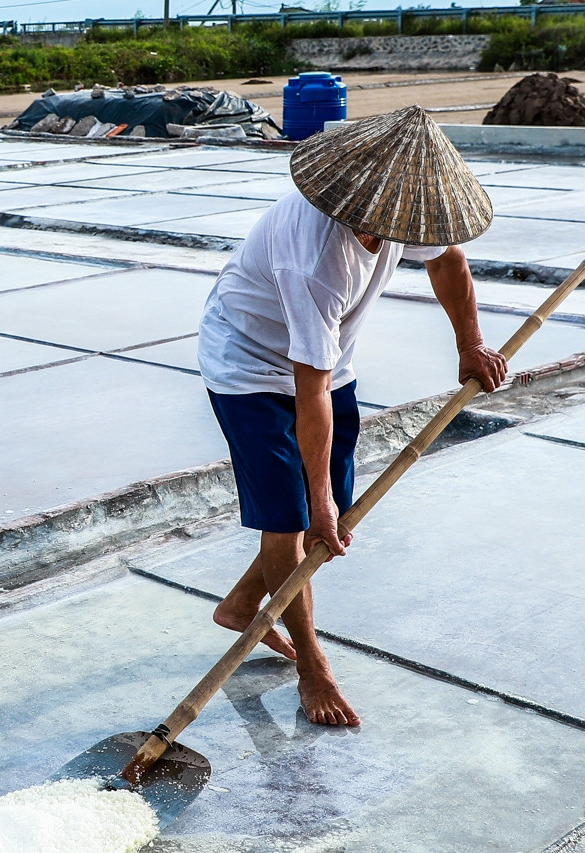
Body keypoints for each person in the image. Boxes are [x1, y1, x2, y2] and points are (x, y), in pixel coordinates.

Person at [195, 106, 507, 727]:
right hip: (251, 366)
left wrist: (469, 342)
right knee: (295, 518)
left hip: (327, 361)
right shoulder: (313, 258)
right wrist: (315, 503)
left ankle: (240, 605)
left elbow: (447, 262)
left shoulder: (398, 206)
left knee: (333, 512)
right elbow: (307, 390)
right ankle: (313, 665)